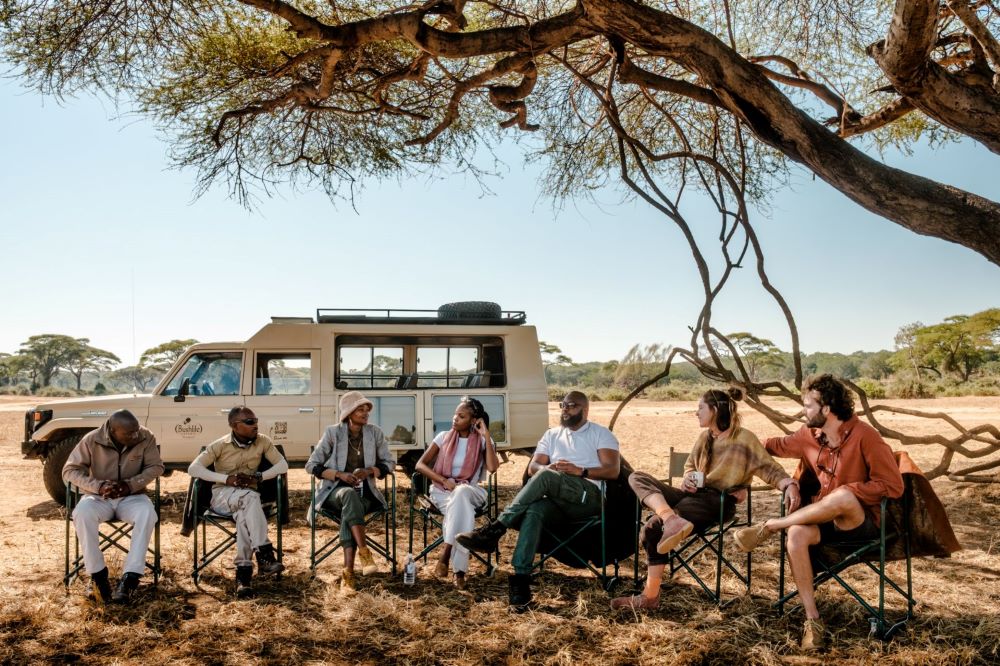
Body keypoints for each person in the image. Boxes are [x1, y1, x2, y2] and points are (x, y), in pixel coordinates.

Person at [733, 374, 904, 650]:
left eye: (808, 405)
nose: (803, 411)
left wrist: (851, 491)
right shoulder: (808, 436)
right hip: (822, 522)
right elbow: (772, 445)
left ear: (827, 408)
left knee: (844, 495)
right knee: (796, 534)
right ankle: (812, 620)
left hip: (859, 526)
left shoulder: (866, 436)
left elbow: (893, 485)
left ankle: (773, 525)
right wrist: (734, 438)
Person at [610, 387, 797, 610]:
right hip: (691, 497)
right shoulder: (704, 437)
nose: (696, 412)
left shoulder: (743, 438)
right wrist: (688, 479)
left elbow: (769, 468)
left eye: (700, 408)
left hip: (717, 503)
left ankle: (649, 597)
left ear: (715, 410)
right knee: (636, 476)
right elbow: (690, 467)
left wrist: (789, 484)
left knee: (652, 528)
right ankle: (670, 518)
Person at [457, 390, 620, 610]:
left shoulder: (600, 434)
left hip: (588, 498)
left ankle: (496, 529)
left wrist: (580, 470)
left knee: (545, 477)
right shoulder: (551, 435)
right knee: (535, 510)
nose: (565, 409)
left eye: (571, 405)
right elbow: (533, 467)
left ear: (585, 409)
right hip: (556, 500)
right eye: (563, 405)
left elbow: (612, 471)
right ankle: (521, 583)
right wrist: (548, 468)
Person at [62, 409, 163, 604]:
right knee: (82, 513)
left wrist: (130, 484)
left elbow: (156, 467)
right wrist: (98, 486)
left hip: (132, 496)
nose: (136, 435)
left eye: (136, 430)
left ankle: (130, 578)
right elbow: (70, 470)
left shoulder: (146, 436)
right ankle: (98, 576)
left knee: (147, 513)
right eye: (129, 433)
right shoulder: (92, 439)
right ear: (112, 430)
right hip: (99, 497)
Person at [187, 406, 288, 598]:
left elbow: (282, 465)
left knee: (244, 516)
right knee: (250, 499)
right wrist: (226, 479)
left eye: (256, 420)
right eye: (250, 422)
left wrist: (258, 477)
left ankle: (244, 576)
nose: (255, 425)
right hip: (222, 497)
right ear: (235, 425)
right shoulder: (220, 445)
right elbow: (194, 468)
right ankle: (265, 554)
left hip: (248, 500)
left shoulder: (263, 441)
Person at [306, 390, 395, 593]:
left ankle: (348, 573)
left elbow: (390, 462)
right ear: (348, 413)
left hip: (366, 495)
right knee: (348, 494)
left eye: (367, 410)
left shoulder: (375, 433)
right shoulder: (333, 433)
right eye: (360, 409)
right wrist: (339, 475)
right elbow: (311, 465)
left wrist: (369, 471)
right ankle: (364, 552)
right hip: (334, 493)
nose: (365, 413)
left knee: (351, 505)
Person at [415, 397, 500, 590]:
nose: (455, 418)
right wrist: (443, 480)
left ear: (473, 420)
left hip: (472, 491)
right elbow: (420, 465)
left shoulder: (483, 441)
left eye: (461, 416)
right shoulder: (443, 436)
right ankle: (459, 572)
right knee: (462, 510)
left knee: (461, 492)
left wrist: (486, 435)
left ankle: (446, 552)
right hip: (441, 492)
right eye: (455, 414)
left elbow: (493, 467)